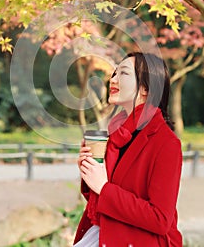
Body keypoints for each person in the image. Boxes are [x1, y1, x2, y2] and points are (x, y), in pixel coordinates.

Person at [73, 52, 183, 247]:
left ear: (146, 89)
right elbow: (105, 199)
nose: (112, 79)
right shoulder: (117, 135)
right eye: (114, 73)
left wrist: (103, 188)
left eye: (122, 74)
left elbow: (160, 219)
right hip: (105, 235)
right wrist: (89, 172)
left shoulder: (166, 143)